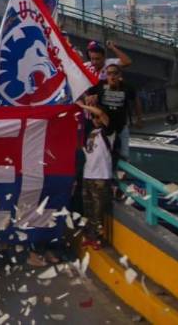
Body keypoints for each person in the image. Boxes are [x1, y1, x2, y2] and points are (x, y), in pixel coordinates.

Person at [77, 104, 112, 248]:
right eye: (93, 117)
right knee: (88, 210)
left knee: (98, 211)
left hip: (101, 176)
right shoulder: (90, 132)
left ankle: (98, 238)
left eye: (98, 117)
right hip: (88, 174)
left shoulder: (108, 132)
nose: (96, 119)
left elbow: (102, 115)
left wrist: (83, 105)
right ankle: (89, 236)